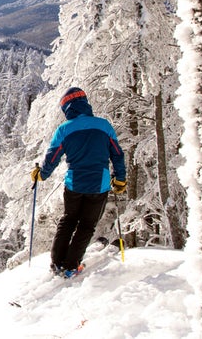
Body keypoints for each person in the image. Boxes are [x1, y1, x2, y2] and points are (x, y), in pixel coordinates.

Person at [30, 87, 127, 278]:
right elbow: (117, 154)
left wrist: (41, 174)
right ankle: (71, 265)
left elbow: (52, 158)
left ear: (67, 108)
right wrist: (120, 179)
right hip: (99, 185)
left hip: (74, 184)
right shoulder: (104, 126)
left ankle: (57, 262)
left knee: (68, 221)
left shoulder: (64, 130)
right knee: (87, 225)